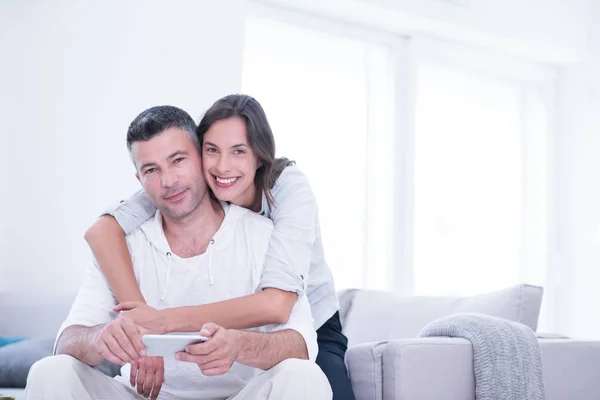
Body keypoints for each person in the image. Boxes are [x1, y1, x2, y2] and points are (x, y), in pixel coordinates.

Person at [24, 105, 331, 400]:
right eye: (151, 169)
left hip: (239, 395)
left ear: (200, 157)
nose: (168, 181)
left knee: (305, 377)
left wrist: (240, 345)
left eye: (178, 160)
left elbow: (301, 345)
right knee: (51, 372)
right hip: (143, 395)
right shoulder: (124, 244)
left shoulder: (265, 234)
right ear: (139, 179)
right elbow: (66, 341)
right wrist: (101, 337)